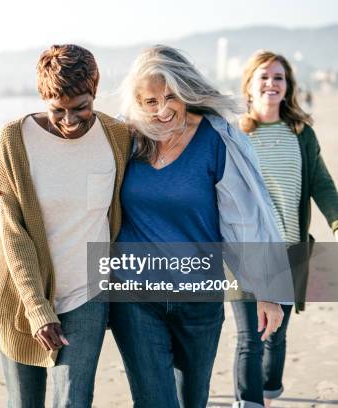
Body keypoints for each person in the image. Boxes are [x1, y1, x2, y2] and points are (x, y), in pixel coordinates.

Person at [109, 45, 292, 408]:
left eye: (170, 97)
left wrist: (267, 290)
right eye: (149, 101)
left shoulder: (217, 139)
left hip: (199, 296)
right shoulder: (125, 141)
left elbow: (244, 219)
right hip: (135, 294)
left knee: (193, 400)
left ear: (188, 91)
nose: (161, 110)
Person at [0, 44, 131, 407]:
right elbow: (13, 230)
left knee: (74, 400)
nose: (69, 120)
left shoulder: (118, 137)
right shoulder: (15, 139)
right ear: (42, 98)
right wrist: (37, 308)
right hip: (21, 293)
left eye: (80, 107)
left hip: (88, 292)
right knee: (25, 402)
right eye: (57, 110)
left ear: (94, 92)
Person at [232, 50, 338, 408]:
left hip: (291, 252)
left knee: (274, 336)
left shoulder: (301, 133)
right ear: (249, 84)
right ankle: (250, 402)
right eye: (264, 76)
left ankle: (270, 389)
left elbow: (321, 184)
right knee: (249, 338)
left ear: (287, 86)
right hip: (247, 251)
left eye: (279, 77)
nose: (271, 83)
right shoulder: (235, 134)